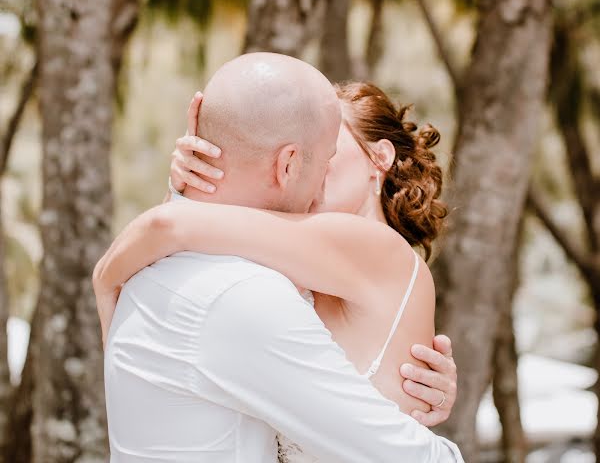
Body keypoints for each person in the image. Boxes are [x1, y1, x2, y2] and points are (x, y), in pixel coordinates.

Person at [96, 52, 463, 462]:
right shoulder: (294, 268)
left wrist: (181, 199)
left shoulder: (376, 247)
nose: (316, 163)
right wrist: (198, 178)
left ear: (379, 158)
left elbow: (171, 230)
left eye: (328, 147)